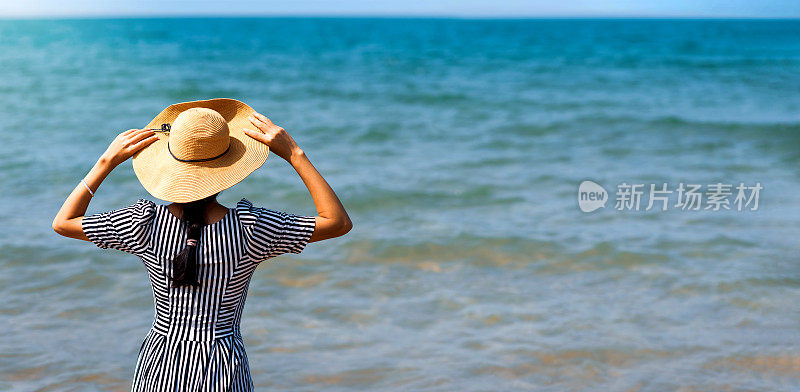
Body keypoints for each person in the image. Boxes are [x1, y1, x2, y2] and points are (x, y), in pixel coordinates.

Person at [51, 99, 352, 391]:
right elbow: (337, 222)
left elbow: (64, 222)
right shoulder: (251, 229)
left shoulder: (142, 224)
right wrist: (295, 154)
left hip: (161, 367)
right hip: (223, 368)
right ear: (227, 169)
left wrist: (106, 162)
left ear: (171, 163)